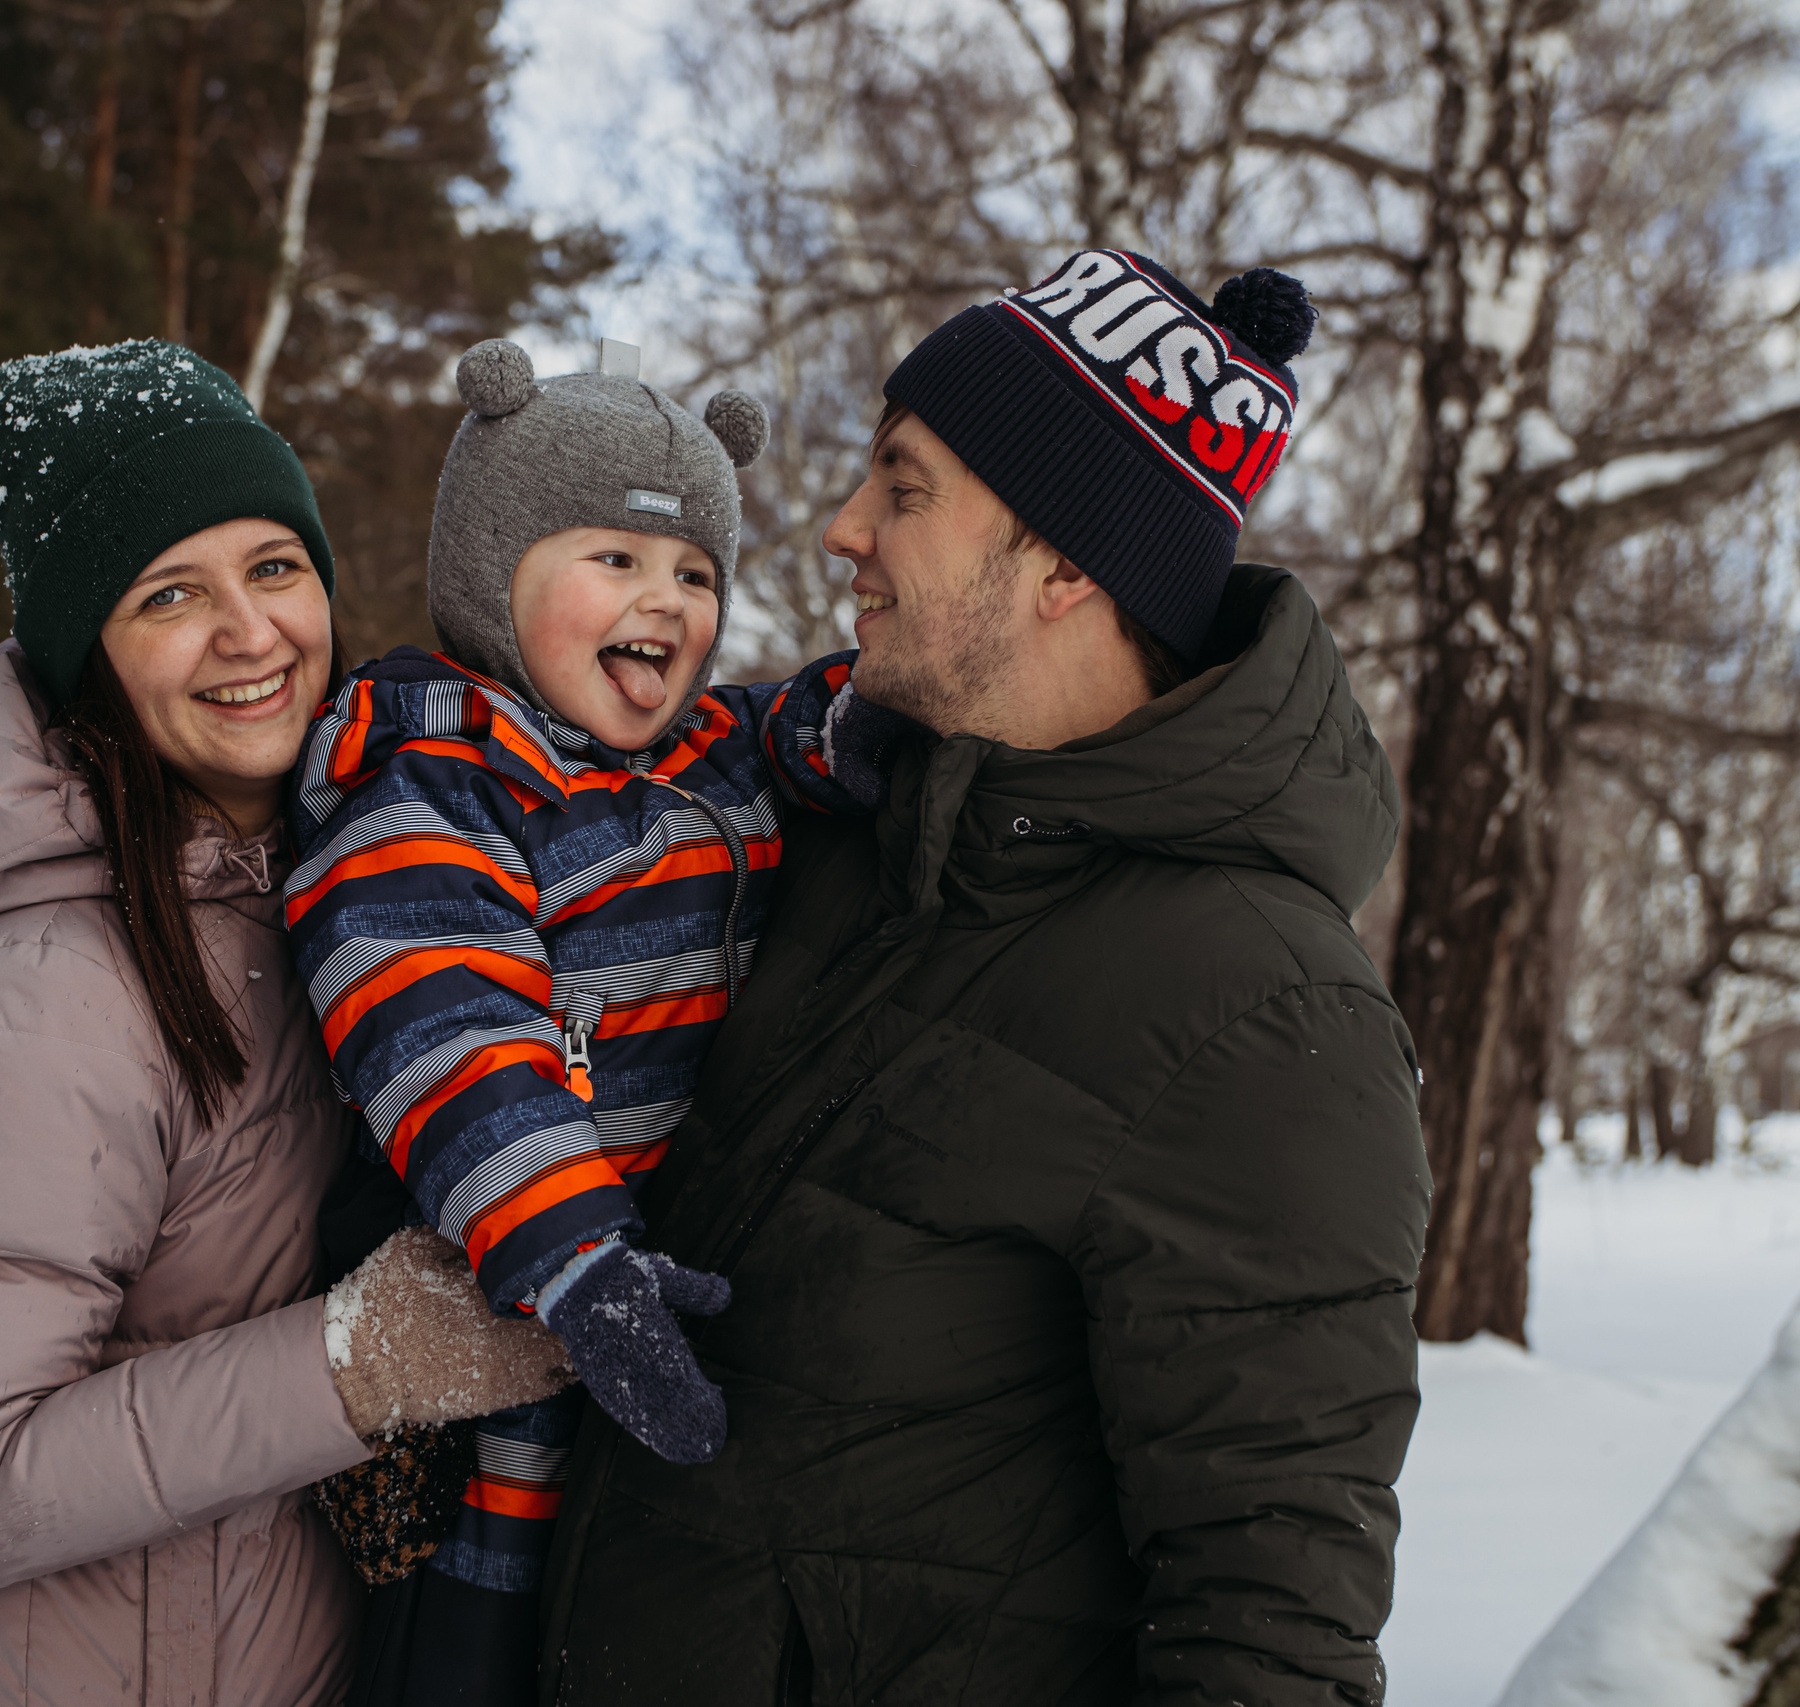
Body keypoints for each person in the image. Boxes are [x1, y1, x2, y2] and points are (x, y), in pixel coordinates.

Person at [536, 251, 1435, 1704]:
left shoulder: (1267, 1018)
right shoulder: (847, 837)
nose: (841, 532)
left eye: (903, 488)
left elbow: (1270, 1636)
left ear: (1067, 566)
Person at [0, 340, 571, 1707]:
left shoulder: (357, 901)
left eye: (274, 568)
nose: (250, 634)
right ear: (89, 663)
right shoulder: (44, 1006)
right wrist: (353, 1363)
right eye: (169, 594)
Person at [283, 340, 902, 1705]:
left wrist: (879, 723)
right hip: (507, 1389)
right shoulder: (430, 794)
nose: (663, 602)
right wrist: (576, 1257)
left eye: (693, 574)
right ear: (493, 574)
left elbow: (800, 720)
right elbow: (450, 1039)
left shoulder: (712, 757)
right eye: (612, 560)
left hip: (666, 1382)